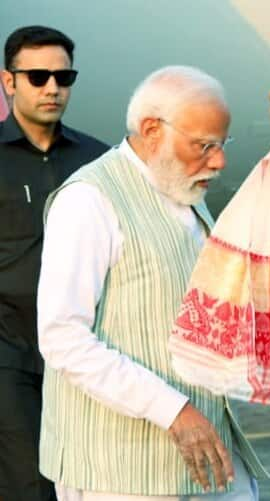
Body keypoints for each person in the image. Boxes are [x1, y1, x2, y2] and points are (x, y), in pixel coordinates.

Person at [37, 66, 267, 500]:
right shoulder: (89, 200)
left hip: (203, 457)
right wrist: (173, 411)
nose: (219, 161)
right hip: (120, 471)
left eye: (221, 145)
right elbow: (62, 338)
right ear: (151, 130)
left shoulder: (180, 190)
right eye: (204, 146)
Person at [0, 25, 108, 501]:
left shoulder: (101, 161)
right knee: (30, 488)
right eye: (38, 76)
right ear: (9, 82)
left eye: (64, 77)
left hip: (85, 360)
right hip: (10, 355)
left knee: (89, 486)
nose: (52, 88)